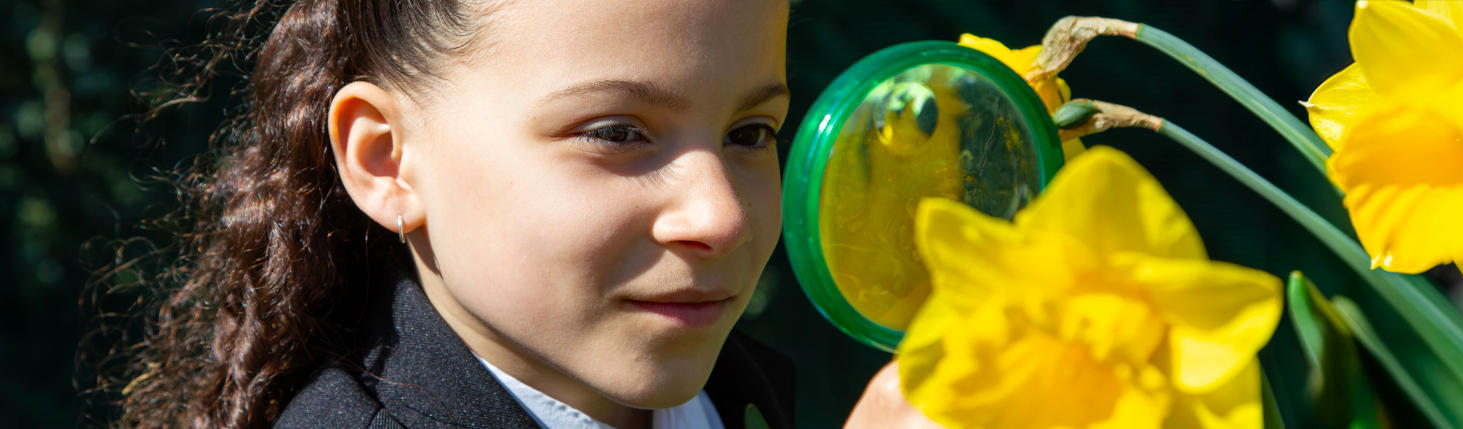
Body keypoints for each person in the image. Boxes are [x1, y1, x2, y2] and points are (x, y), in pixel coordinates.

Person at [109, 0, 939, 427]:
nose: (720, 215)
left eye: (750, 132)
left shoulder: (728, 392)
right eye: (617, 133)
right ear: (387, 158)